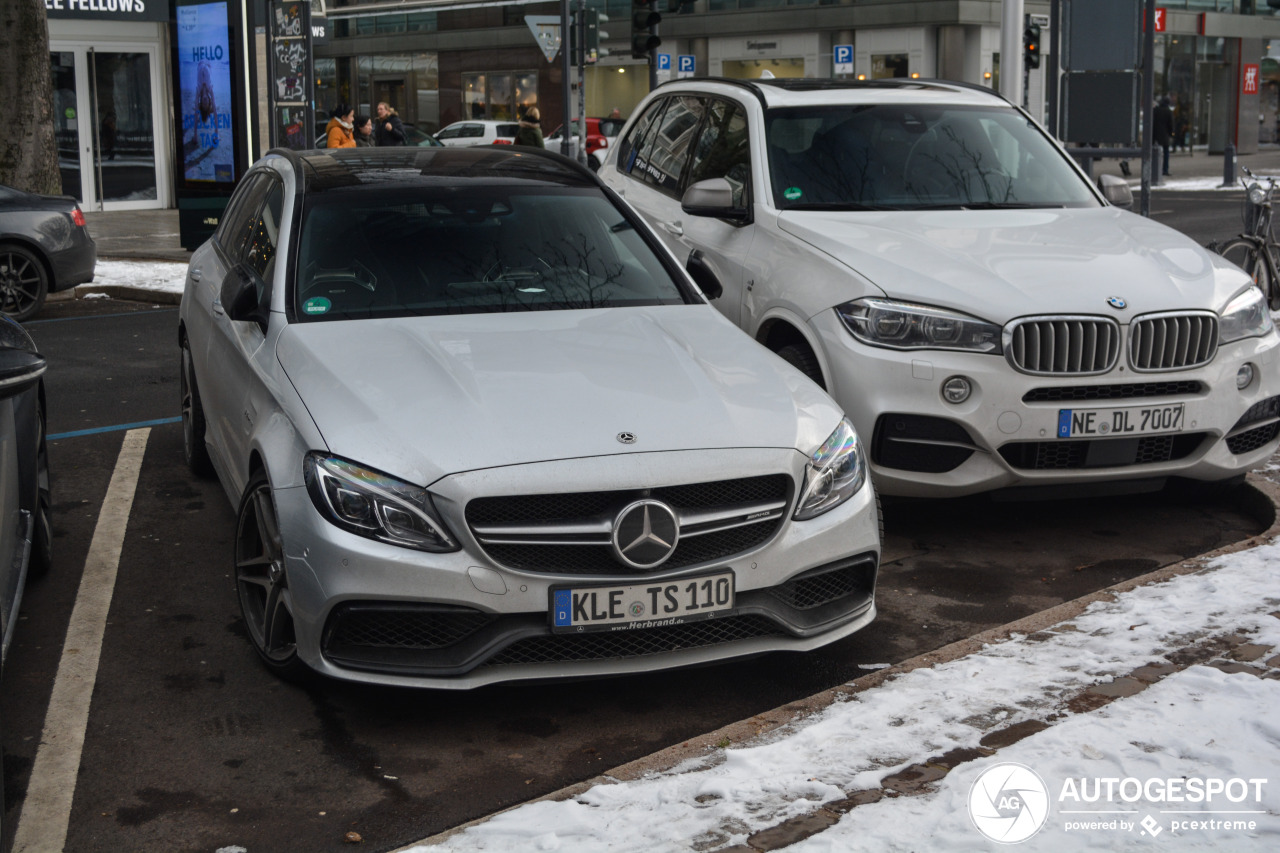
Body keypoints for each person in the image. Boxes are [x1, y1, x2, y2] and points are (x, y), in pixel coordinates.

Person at [1154, 95, 1174, 176]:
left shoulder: (1156, 110)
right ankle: (1165, 170)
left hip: (1155, 135)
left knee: (1154, 152)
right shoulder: (1168, 111)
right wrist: (1172, 134)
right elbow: (1171, 125)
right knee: (1166, 153)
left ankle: (1154, 169)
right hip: (1165, 135)